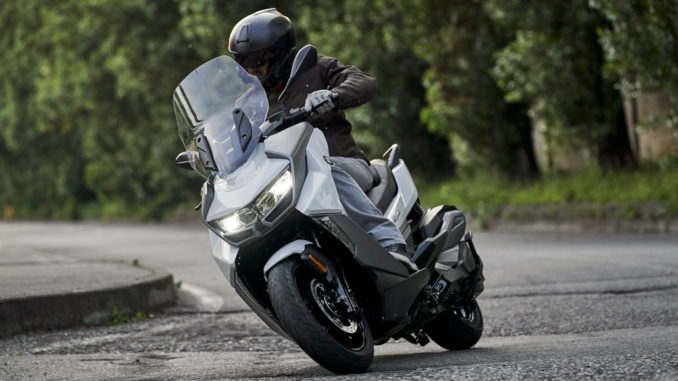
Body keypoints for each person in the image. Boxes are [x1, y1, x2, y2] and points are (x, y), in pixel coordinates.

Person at [228, 8, 415, 271]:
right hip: (286, 179)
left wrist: (334, 96)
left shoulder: (314, 69)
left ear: (278, 52)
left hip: (345, 164)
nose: (251, 68)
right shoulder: (248, 103)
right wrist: (209, 152)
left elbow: (364, 82)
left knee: (320, 168)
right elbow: (231, 140)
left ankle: (389, 240)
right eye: (243, 62)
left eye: (257, 60)